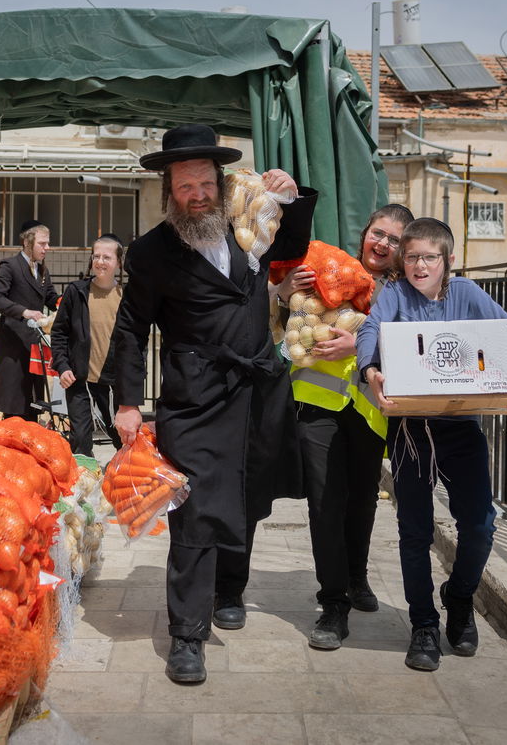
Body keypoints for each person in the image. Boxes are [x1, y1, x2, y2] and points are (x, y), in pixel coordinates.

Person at [112, 122, 316, 684]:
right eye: (185, 187)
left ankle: (232, 590)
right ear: (168, 192)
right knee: (197, 511)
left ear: (222, 184)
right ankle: (187, 635)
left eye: (205, 184)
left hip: (257, 389)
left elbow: (293, 247)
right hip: (196, 396)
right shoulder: (152, 252)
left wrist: (290, 196)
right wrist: (128, 401)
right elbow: (130, 329)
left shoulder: (250, 225)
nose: (197, 195)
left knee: (248, 495)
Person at [355, 217, 507, 672]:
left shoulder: (468, 295)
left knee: (479, 525)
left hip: (460, 425)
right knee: (413, 532)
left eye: (428, 258)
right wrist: (369, 371)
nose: (418, 265)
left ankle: (458, 597)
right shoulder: (393, 294)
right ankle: (423, 626)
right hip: (410, 431)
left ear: (447, 261)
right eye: (411, 256)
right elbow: (369, 332)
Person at [276, 203, 414, 650]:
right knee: (324, 504)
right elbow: (287, 313)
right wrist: (283, 289)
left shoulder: (407, 290)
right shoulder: (331, 269)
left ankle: (357, 576)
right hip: (316, 404)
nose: (384, 244)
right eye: (379, 233)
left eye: (394, 240)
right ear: (365, 234)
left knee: (361, 502)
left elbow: (419, 343)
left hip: (369, 410)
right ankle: (333, 604)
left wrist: (362, 343)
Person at [51, 234, 125, 454]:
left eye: (107, 257)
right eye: (96, 256)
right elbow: (59, 333)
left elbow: (136, 341)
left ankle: (126, 477)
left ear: (119, 263)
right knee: (81, 437)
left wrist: (134, 376)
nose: (100, 261)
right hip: (78, 378)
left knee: (119, 434)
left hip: (112, 381)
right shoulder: (76, 292)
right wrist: (62, 366)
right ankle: (85, 481)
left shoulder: (126, 296)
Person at [0, 220, 57, 420]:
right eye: (42, 243)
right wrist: (24, 312)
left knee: (32, 403)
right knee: (15, 402)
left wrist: (66, 302)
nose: (47, 248)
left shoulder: (42, 270)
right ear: (28, 242)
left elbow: (51, 297)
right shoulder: (10, 266)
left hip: (34, 344)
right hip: (14, 345)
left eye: (47, 243)